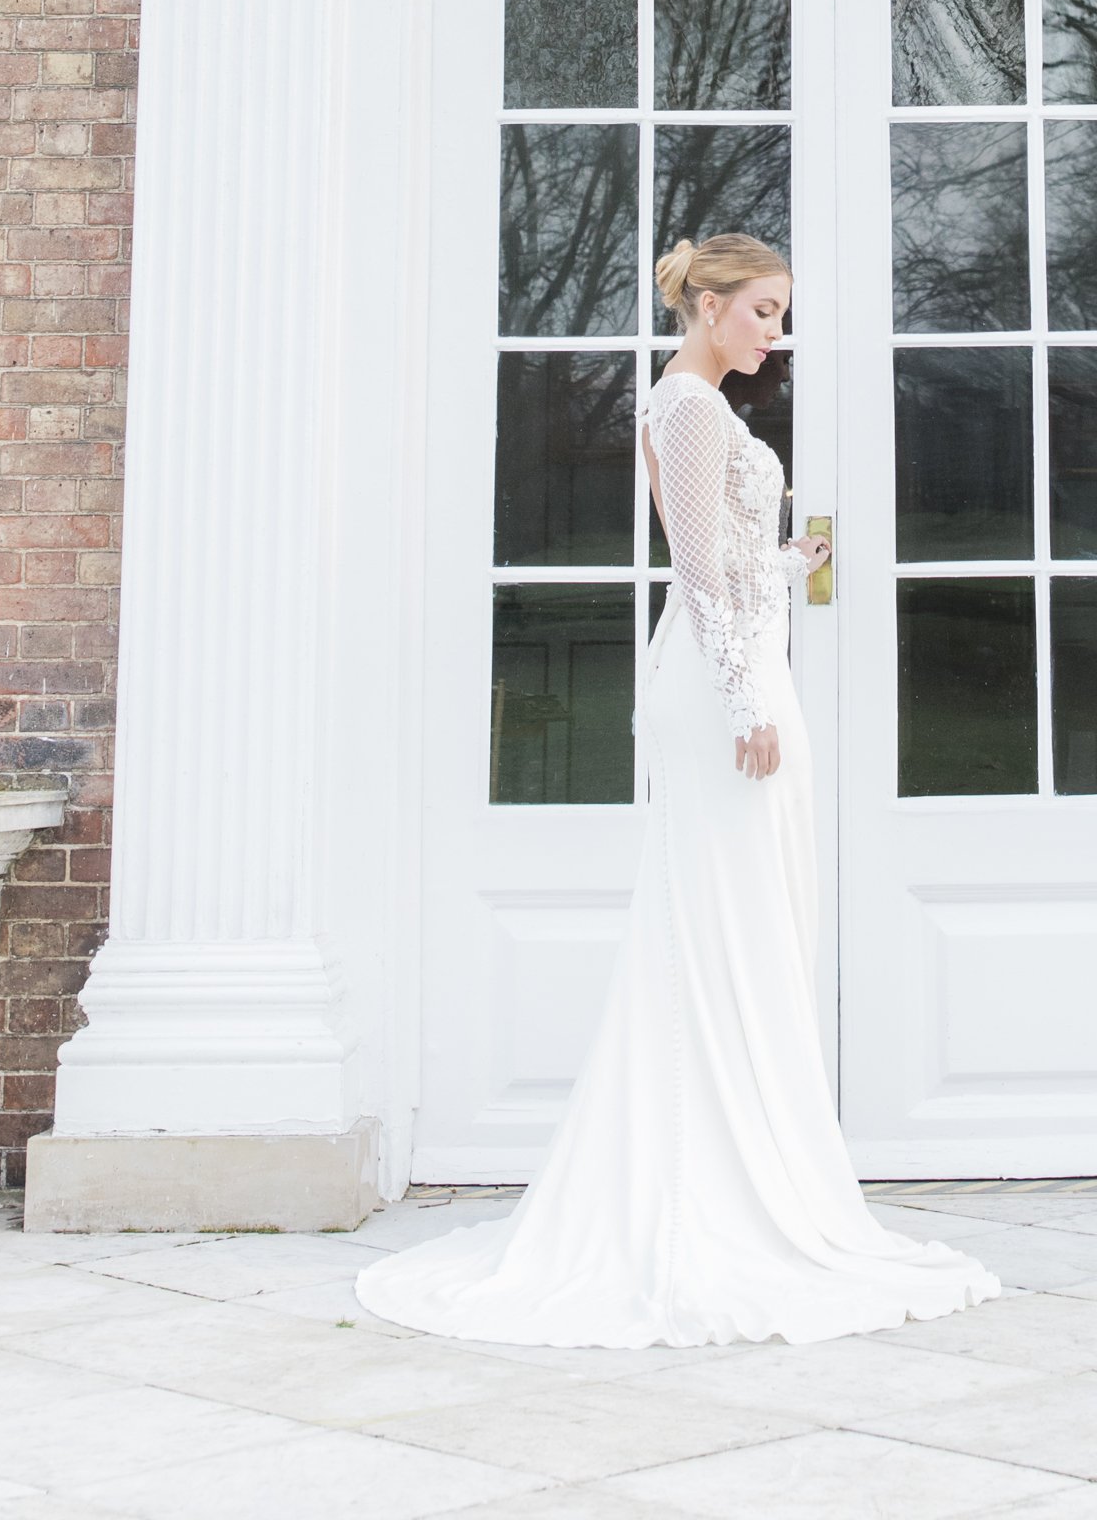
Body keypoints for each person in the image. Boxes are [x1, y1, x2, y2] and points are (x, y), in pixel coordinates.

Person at [357, 230, 1000, 1348]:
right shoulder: (688, 407)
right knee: (717, 915)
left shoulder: (696, 406)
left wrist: (794, 567)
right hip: (719, 682)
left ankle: (740, 1157)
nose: (774, 331)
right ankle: (700, 1186)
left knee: (748, 914)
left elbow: (735, 558)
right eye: (761, 309)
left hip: (740, 660)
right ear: (706, 306)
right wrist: (748, 691)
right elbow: (696, 567)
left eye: (780, 312)